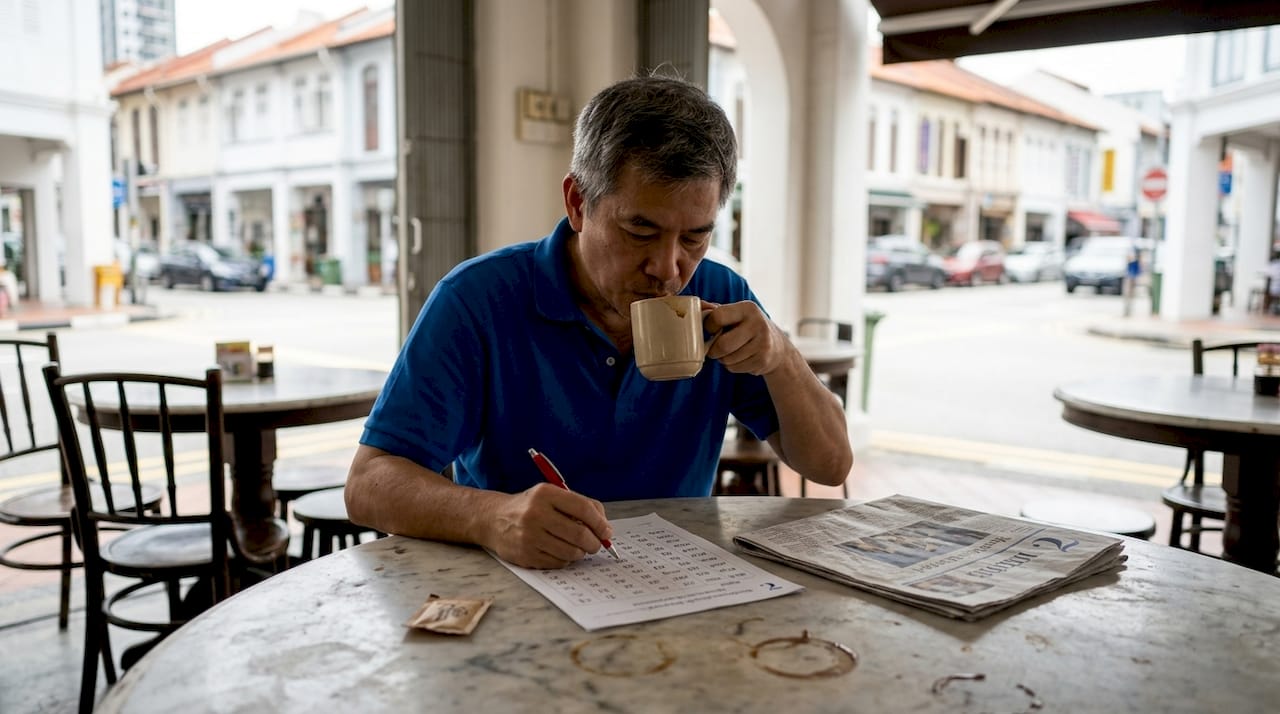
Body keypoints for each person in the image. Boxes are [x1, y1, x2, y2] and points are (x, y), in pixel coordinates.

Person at [345, 75, 853, 569]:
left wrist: (780, 357)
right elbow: (369, 484)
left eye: (695, 238)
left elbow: (831, 467)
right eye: (640, 230)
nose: (668, 268)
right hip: (521, 585)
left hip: (677, 581)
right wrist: (490, 515)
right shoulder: (478, 299)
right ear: (577, 203)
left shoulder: (721, 296)